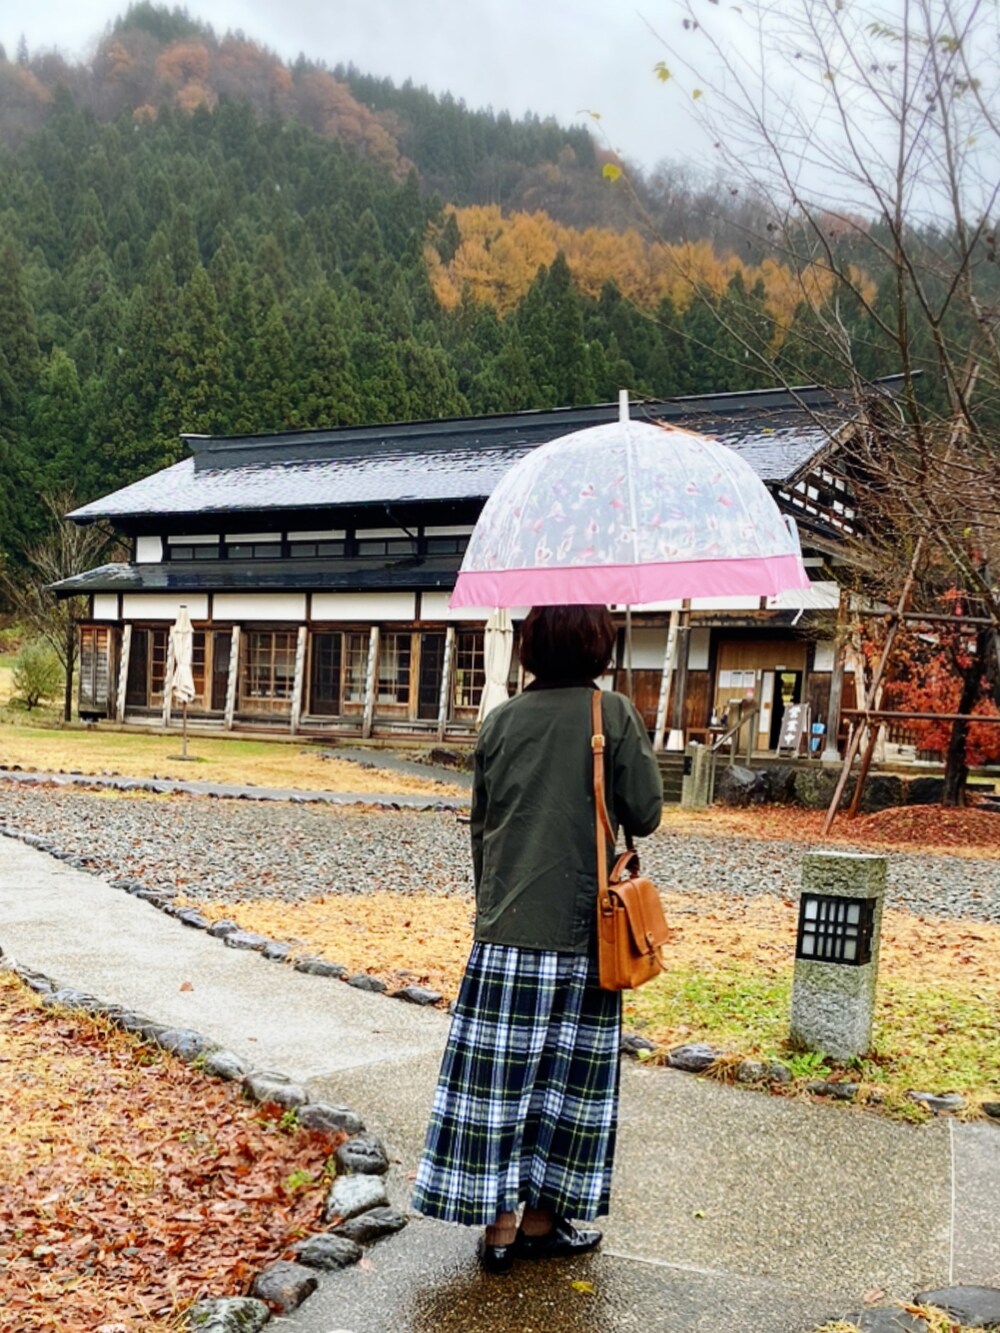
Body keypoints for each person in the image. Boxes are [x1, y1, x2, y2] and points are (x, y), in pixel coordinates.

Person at [411, 604, 663, 1275]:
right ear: (599, 647)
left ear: (530, 647)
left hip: (504, 933)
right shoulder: (612, 714)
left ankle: (495, 1230)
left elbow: (482, 827)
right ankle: (541, 1222)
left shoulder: (500, 721)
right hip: (586, 933)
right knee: (567, 1085)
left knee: (496, 1086)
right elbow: (647, 812)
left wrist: (492, 908)